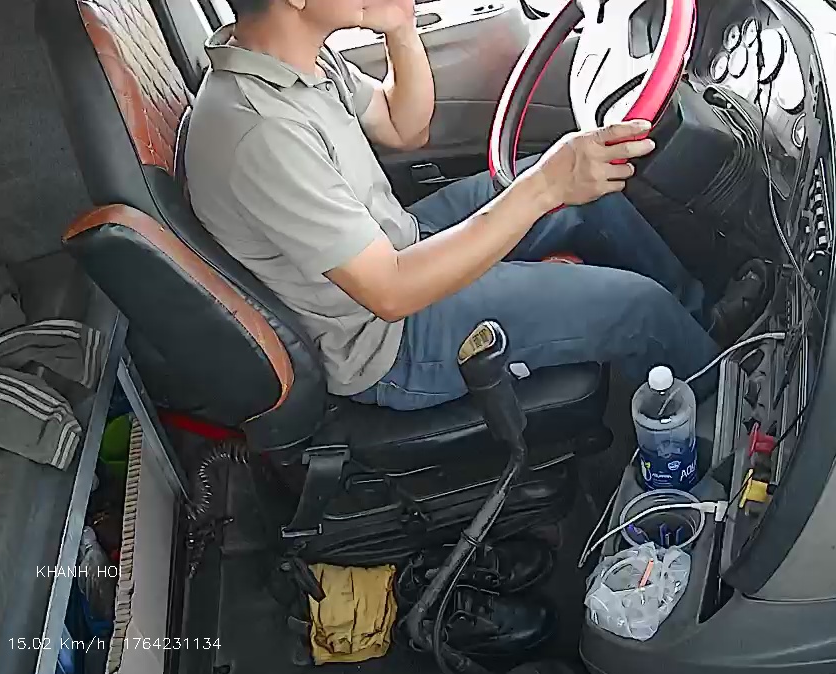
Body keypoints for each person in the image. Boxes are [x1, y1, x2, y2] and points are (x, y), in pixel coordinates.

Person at [185, 0, 721, 411]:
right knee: (637, 307)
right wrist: (544, 187)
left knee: (589, 198)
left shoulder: (295, 57)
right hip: (389, 341)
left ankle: (699, 326)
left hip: (398, 244)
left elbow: (404, 126)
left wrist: (400, 27)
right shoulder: (260, 131)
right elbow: (391, 293)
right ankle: (725, 406)